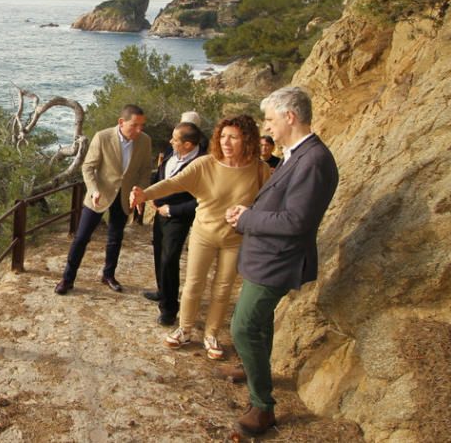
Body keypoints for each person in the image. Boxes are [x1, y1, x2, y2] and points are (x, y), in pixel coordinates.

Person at [223, 87, 338, 436]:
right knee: (258, 324)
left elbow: (296, 221)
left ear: (290, 117)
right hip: (267, 255)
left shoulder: (313, 160)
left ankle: (262, 407)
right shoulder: (297, 154)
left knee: (242, 327)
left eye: (271, 119)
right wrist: (250, 212)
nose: (266, 126)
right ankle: (255, 367)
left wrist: (246, 220)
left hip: (277, 260)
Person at [130, 115, 270, 360]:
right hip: (204, 234)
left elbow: (269, 200)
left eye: (233, 137)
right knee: (194, 284)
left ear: (247, 140)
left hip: (235, 239)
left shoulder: (259, 169)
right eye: (223, 136)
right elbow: (173, 183)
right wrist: (145, 194)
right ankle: (184, 329)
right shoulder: (206, 164)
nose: (226, 142)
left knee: (223, 288)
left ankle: (211, 334)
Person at [55, 105, 152, 295]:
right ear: (121, 122)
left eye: (142, 125)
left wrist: (138, 191)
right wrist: (93, 190)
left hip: (124, 197)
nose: (139, 130)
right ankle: (67, 278)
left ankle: (108, 275)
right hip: (99, 196)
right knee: (81, 238)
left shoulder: (145, 141)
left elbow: (145, 171)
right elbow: (88, 168)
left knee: (115, 239)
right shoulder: (103, 136)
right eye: (135, 125)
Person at [143, 122, 206, 326]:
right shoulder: (172, 152)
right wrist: (151, 194)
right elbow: (162, 177)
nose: (170, 141)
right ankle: (163, 292)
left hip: (178, 217)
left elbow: (202, 199)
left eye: (175, 139)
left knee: (169, 259)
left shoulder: (203, 163)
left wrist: (171, 210)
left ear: (188, 145)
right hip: (159, 213)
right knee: (159, 253)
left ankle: (169, 309)